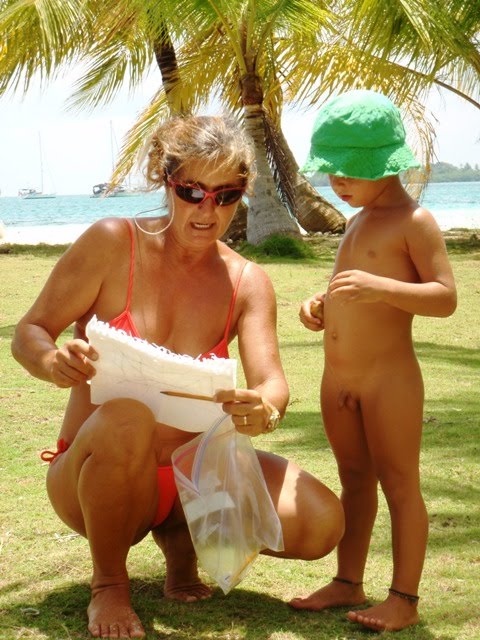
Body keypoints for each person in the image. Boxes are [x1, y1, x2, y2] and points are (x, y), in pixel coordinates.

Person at [11, 114, 344, 639]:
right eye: (193, 192)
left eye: (226, 196)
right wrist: (53, 363)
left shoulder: (247, 281)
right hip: (94, 475)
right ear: (165, 180)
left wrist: (265, 409)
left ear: (242, 194)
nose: (208, 211)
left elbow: (272, 382)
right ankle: (109, 584)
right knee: (126, 416)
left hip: (195, 482)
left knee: (322, 522)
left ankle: (181, 548)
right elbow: (30, 331)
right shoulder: (111, 243)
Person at [290, 90, 457, 632]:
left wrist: (380, 287)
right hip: (339, 379)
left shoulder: (415, 220)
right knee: (355, 481)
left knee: (400, 484)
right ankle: (348, 582)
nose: (336, 181)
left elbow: (445, 297)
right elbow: (350, 288)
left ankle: (404, 599)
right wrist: (320, 304)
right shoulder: (358, 220)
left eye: (348, 170)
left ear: (384, 164)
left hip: (389, 380)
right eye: (331, 170)